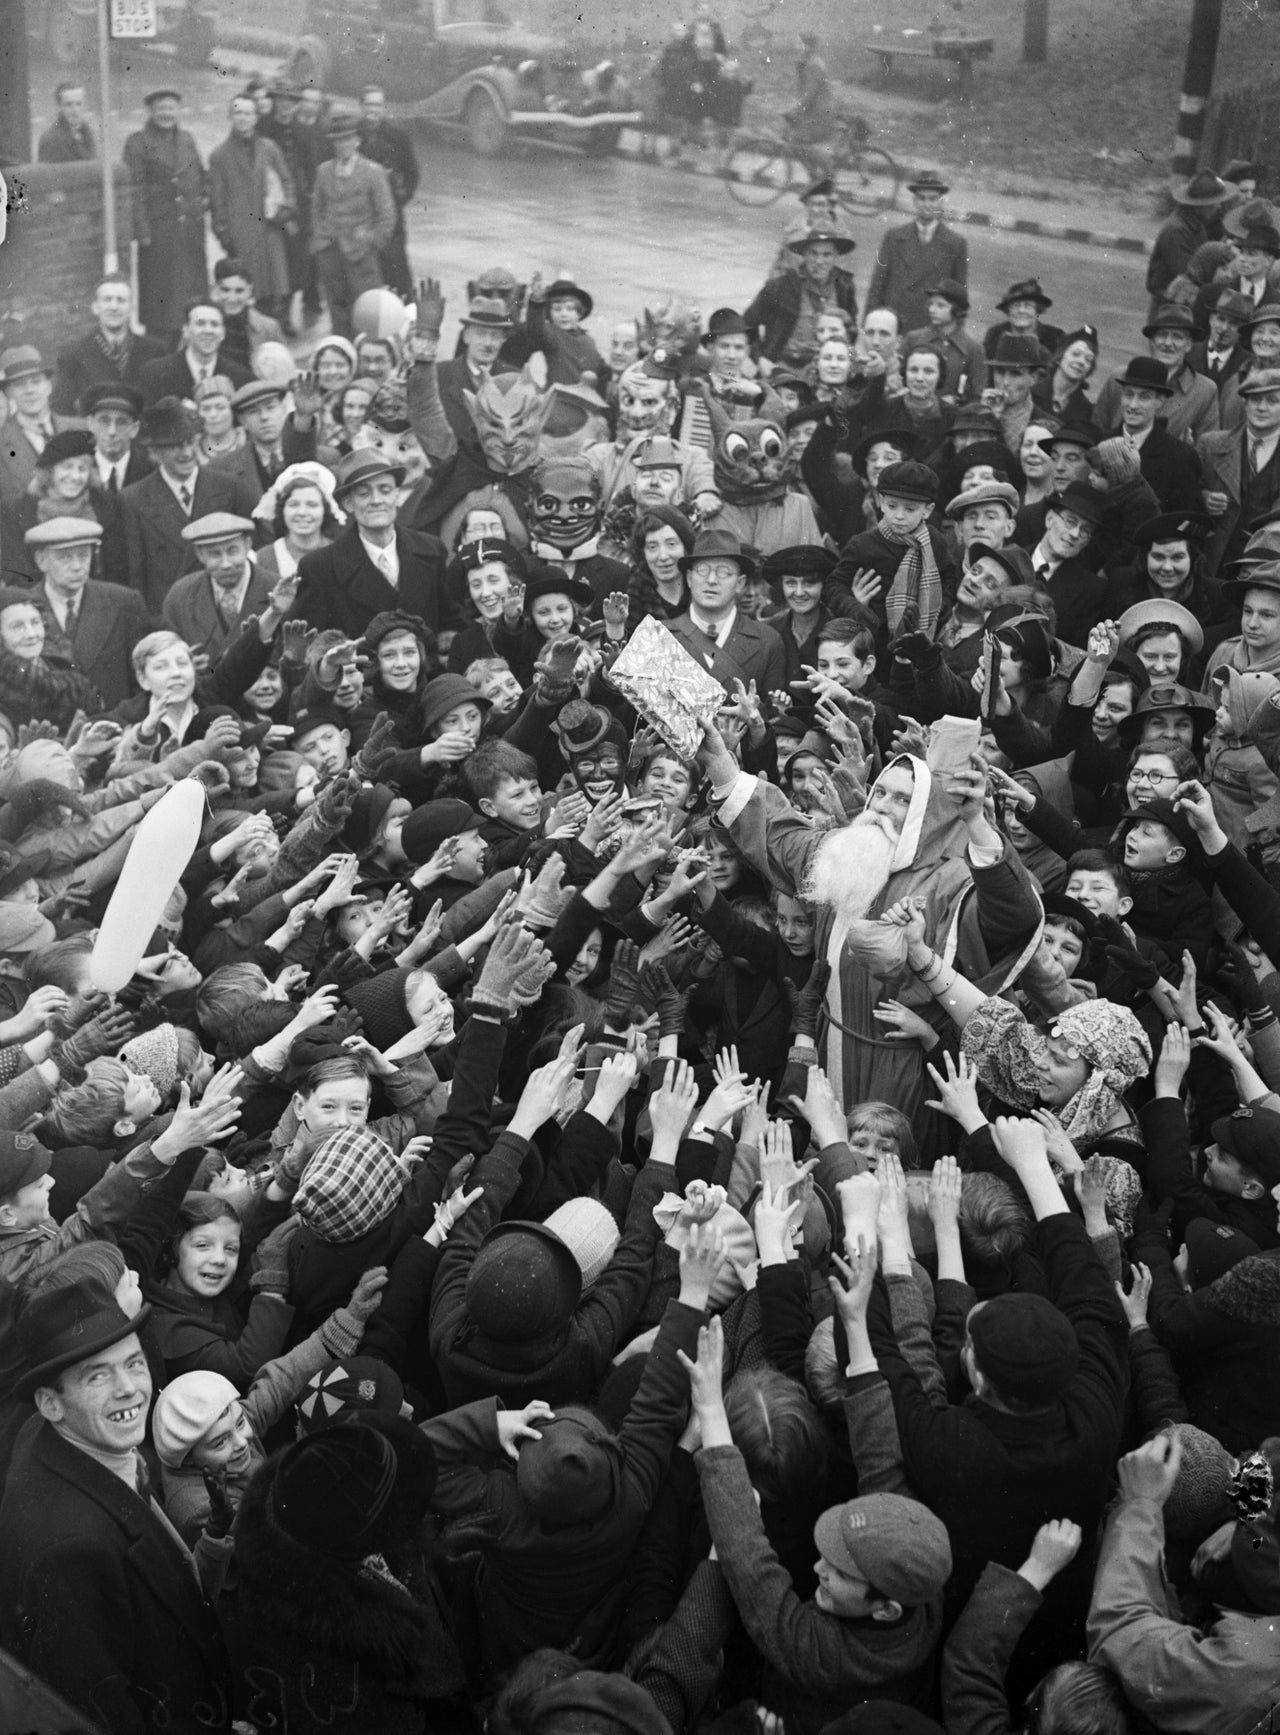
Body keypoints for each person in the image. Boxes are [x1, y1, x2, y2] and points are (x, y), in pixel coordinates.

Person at [0, 1275, 234, 1733]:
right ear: (49, 1403)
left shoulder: (69, 1437)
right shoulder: (70, 1552)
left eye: (133, 1363)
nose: (129, 1388)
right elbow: (97, 1712)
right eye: (98, 1375)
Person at [120, 397, 259, 616]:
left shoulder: (229, 486)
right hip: (172, 614)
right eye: (174, 446)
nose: (186, 453)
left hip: (228, 610)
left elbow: (257, 547)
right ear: (155, 452)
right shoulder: (133, 499)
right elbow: (136, 574)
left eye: (189, 442)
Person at [294, 449, 448, 638]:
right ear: (349, 504)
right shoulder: (320, 567)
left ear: (397, 496)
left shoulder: (431, 550)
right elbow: (311, 643)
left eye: (385, 490)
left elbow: (450, 620)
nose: (376, 500)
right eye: (364, 493)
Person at [25, 516, 151, 710]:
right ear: (41, 561)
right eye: (65, 557)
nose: (77, 566)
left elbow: (143, 678)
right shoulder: (22, 609)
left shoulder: (124, 602)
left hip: (114, 725)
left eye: (83, 555)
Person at [122, 90, 210, 346]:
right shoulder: (137, 142)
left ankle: (192, 341)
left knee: (192, 293)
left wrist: (202, 200)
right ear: (150, 111)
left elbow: (200, 175)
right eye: (161, 108)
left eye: (171, 108)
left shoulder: (187, 139)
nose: (167, 113)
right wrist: (142, 229)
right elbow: (133, 188)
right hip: (159, 229)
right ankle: (160, 347)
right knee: (161, 296)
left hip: (189, 229)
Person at [209, 96, 296, 325]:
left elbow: (287, 181)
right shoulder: (219, 155)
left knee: (275, 287)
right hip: (241, 233)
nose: (243, 119)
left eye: (248, 113)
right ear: (230, 116)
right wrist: (223, 233)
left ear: (256, 118)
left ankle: (276, 329)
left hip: (270, 230)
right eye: (238, 113)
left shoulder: (269, 148)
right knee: (246, 292)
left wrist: (286, 209)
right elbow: (216, 200)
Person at [310, 111, 396, 340]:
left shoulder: (373, 172)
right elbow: (316, 208)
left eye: (348, 139)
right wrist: (321, 238)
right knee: (337, 310)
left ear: (357, 141)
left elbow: (387, 217)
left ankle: (364, 359)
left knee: (366, 312)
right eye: (338, 140)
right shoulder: (324, 171)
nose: (343, 145)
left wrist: (370, 242)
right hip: (330, 251)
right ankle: (341, 352)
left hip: (361, 255)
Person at [867, 171, 968, 337]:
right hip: (893, 324)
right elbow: (877, 285)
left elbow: (960, 296)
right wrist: (869, 324)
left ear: (940, 202)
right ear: (914, 201)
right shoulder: (894, 236)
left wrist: (955, 337)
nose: (927, 204)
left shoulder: (955, 243)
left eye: (932, 199)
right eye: (922, 198)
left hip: (930, 327)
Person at [744, 229, 859, 369]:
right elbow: (746, 324)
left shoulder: (844, 287)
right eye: (813, 254)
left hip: (828, 367)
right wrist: (759, 359)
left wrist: (848, 325)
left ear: (836, 256)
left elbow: (852, 332)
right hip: (784, 366)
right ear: (804, 255)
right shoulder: (780, 286)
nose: (819, 261)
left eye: (827, 255)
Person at [51, 277, 163, 418]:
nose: (114, 307)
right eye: (107, 300)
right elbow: (62, 409)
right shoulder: (73, 353)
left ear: (132, 307)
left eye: (121, 300)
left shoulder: (154, 351)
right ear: (95, 307)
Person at [0, 347, 85, 511]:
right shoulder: (2, 443)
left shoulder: (81, 429)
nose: (30, 390)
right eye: (19, 385)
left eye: (36, 381)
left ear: (49, 386)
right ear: (9, 394)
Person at [357, 85, 418, 299]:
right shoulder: (351, 137)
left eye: (378, 105)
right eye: (369, 104)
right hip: (361, 216)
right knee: (364, 273)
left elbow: (412, 174)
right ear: (361, 106)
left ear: (384, 108)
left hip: (392, 215)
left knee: (398, 272)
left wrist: (401, 198)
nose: (373, 109)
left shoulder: (398, 137)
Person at [1147, 168, 1231, 314]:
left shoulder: (1195, 224)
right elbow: (1190, 271)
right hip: (1168, 307)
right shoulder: (1177, 230)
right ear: (1201, 205)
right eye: (1215, 202)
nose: (1219, 207)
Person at [137, 300, 252, 405]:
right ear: (186, 331)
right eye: (200, 323)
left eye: (214, 324)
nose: (208, 331)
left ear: (223, 333)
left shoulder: (242, 378)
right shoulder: (154, 374)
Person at [36, 81, 96, 163]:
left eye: (79, 104)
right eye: (68, 105)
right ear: (58, 107)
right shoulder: (50, 139)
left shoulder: (88, 133)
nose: (75, 111)